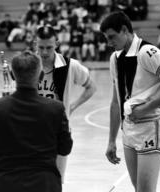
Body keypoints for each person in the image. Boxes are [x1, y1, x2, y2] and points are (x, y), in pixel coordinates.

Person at [100, 12, 160, 192]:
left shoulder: (147, 52)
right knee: (138, 188)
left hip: (149, 128)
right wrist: (111, 140)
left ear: (125, 30)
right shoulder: (114, 58)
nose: (109, 43)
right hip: (128, 130)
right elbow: (116, 102)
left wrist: (146, 108)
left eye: (112, 37)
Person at [0, 50, 73, 192]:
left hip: (4, 185)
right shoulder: (55, 109)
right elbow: (65, 148)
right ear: (41, 76)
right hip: (44, 185)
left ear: (12, 75)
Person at [34, 25, 96, 182]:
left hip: (58, 131)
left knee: (56, 180)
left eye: (49, 47)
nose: (45, 52)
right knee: (33, 180)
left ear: (56, 43)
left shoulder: (70, 65)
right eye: (41, 47)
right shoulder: (29, 64)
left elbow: (91, 87)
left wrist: (73, 106)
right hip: (31, 130)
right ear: (36, 44)